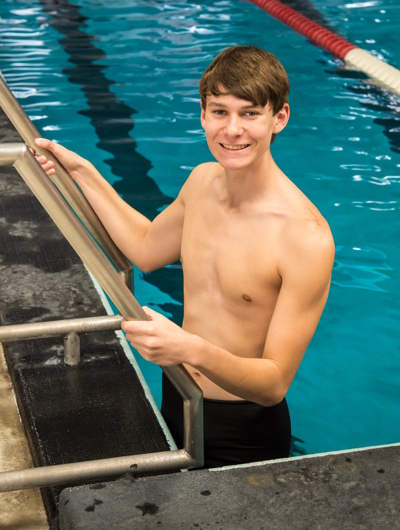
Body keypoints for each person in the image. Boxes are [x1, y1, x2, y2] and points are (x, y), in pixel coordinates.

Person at [34, 45, 335, 468]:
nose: (232, 130)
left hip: (243, 431)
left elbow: (273, 383)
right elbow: (145, 247)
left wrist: (189, 348)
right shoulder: (201, 182)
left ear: (279, 118)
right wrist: (83, 171)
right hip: (176, 395)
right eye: (219, 112)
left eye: (250, 113)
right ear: (203, 114)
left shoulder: (305, 237)